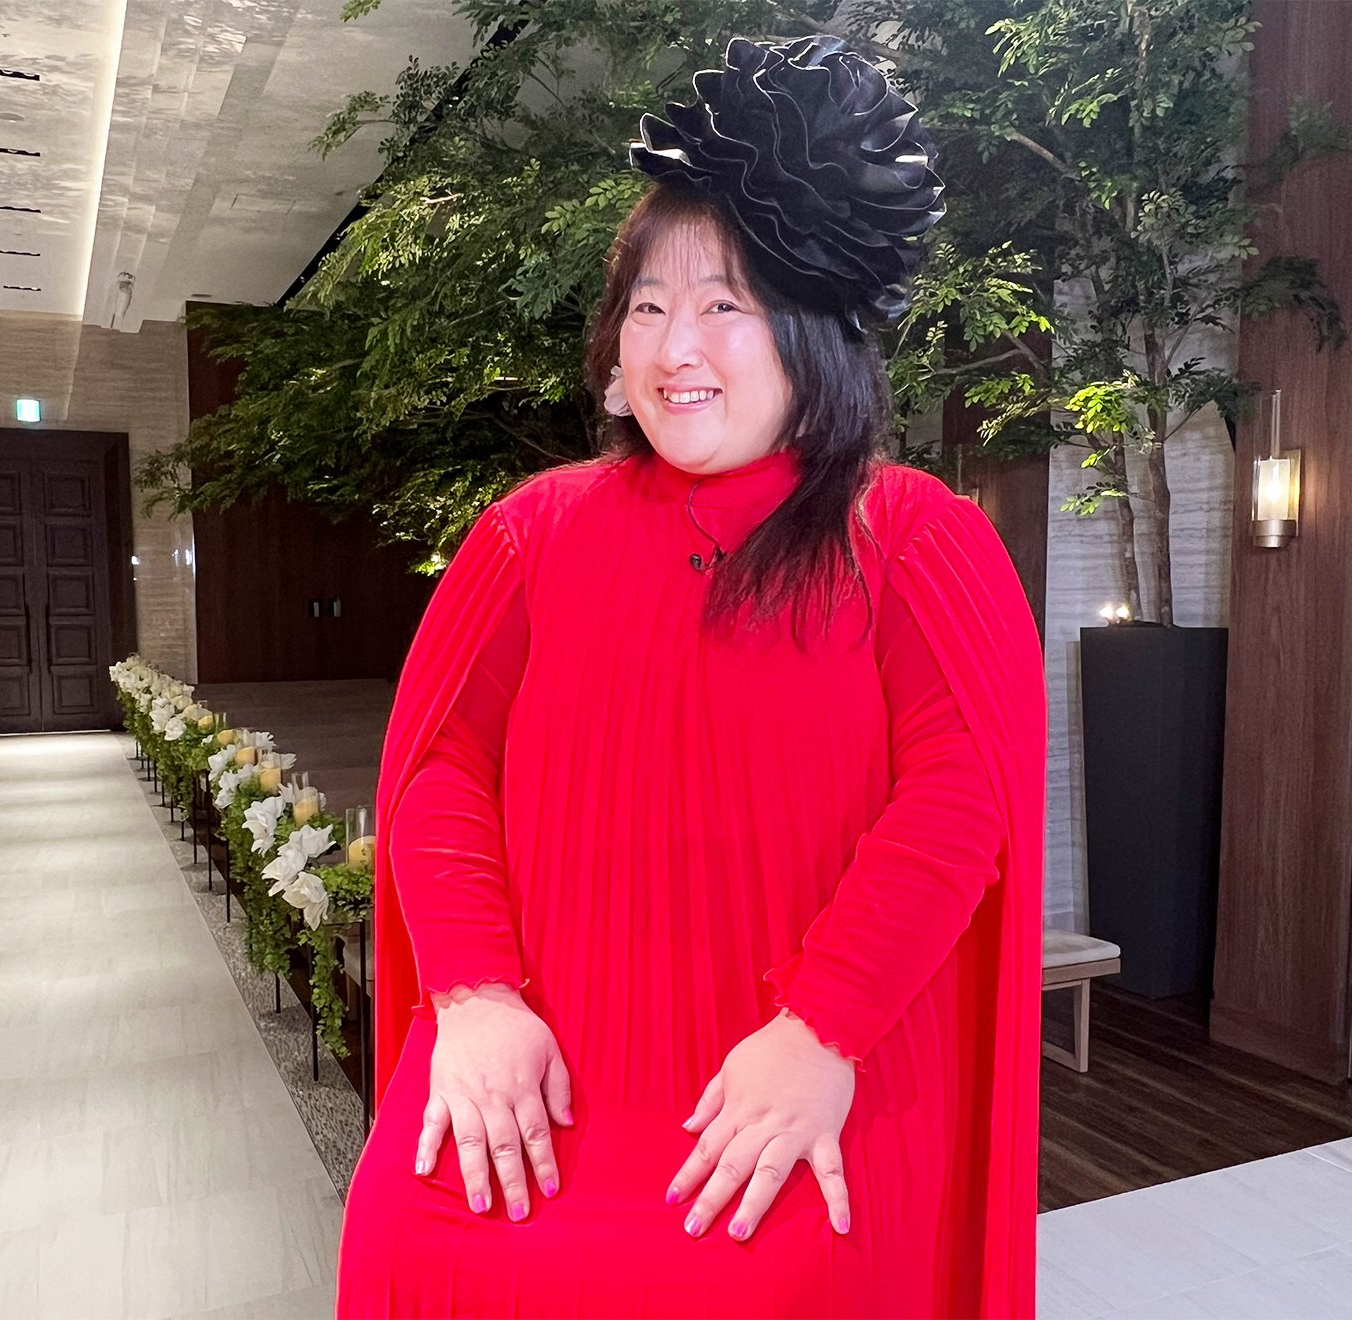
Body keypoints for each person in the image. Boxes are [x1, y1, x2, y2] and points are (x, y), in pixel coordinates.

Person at [337, 35, 1044, 1320]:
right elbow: (440, 767)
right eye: (647, 306)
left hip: (788, 1073)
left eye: (724, 303)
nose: (675, 346)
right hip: (538, 1061)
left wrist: (820, 1030)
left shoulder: (909, 535)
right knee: (403, 1232)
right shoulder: (532, 532)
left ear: (812, 328)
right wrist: (474, 997)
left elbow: (959, 802)